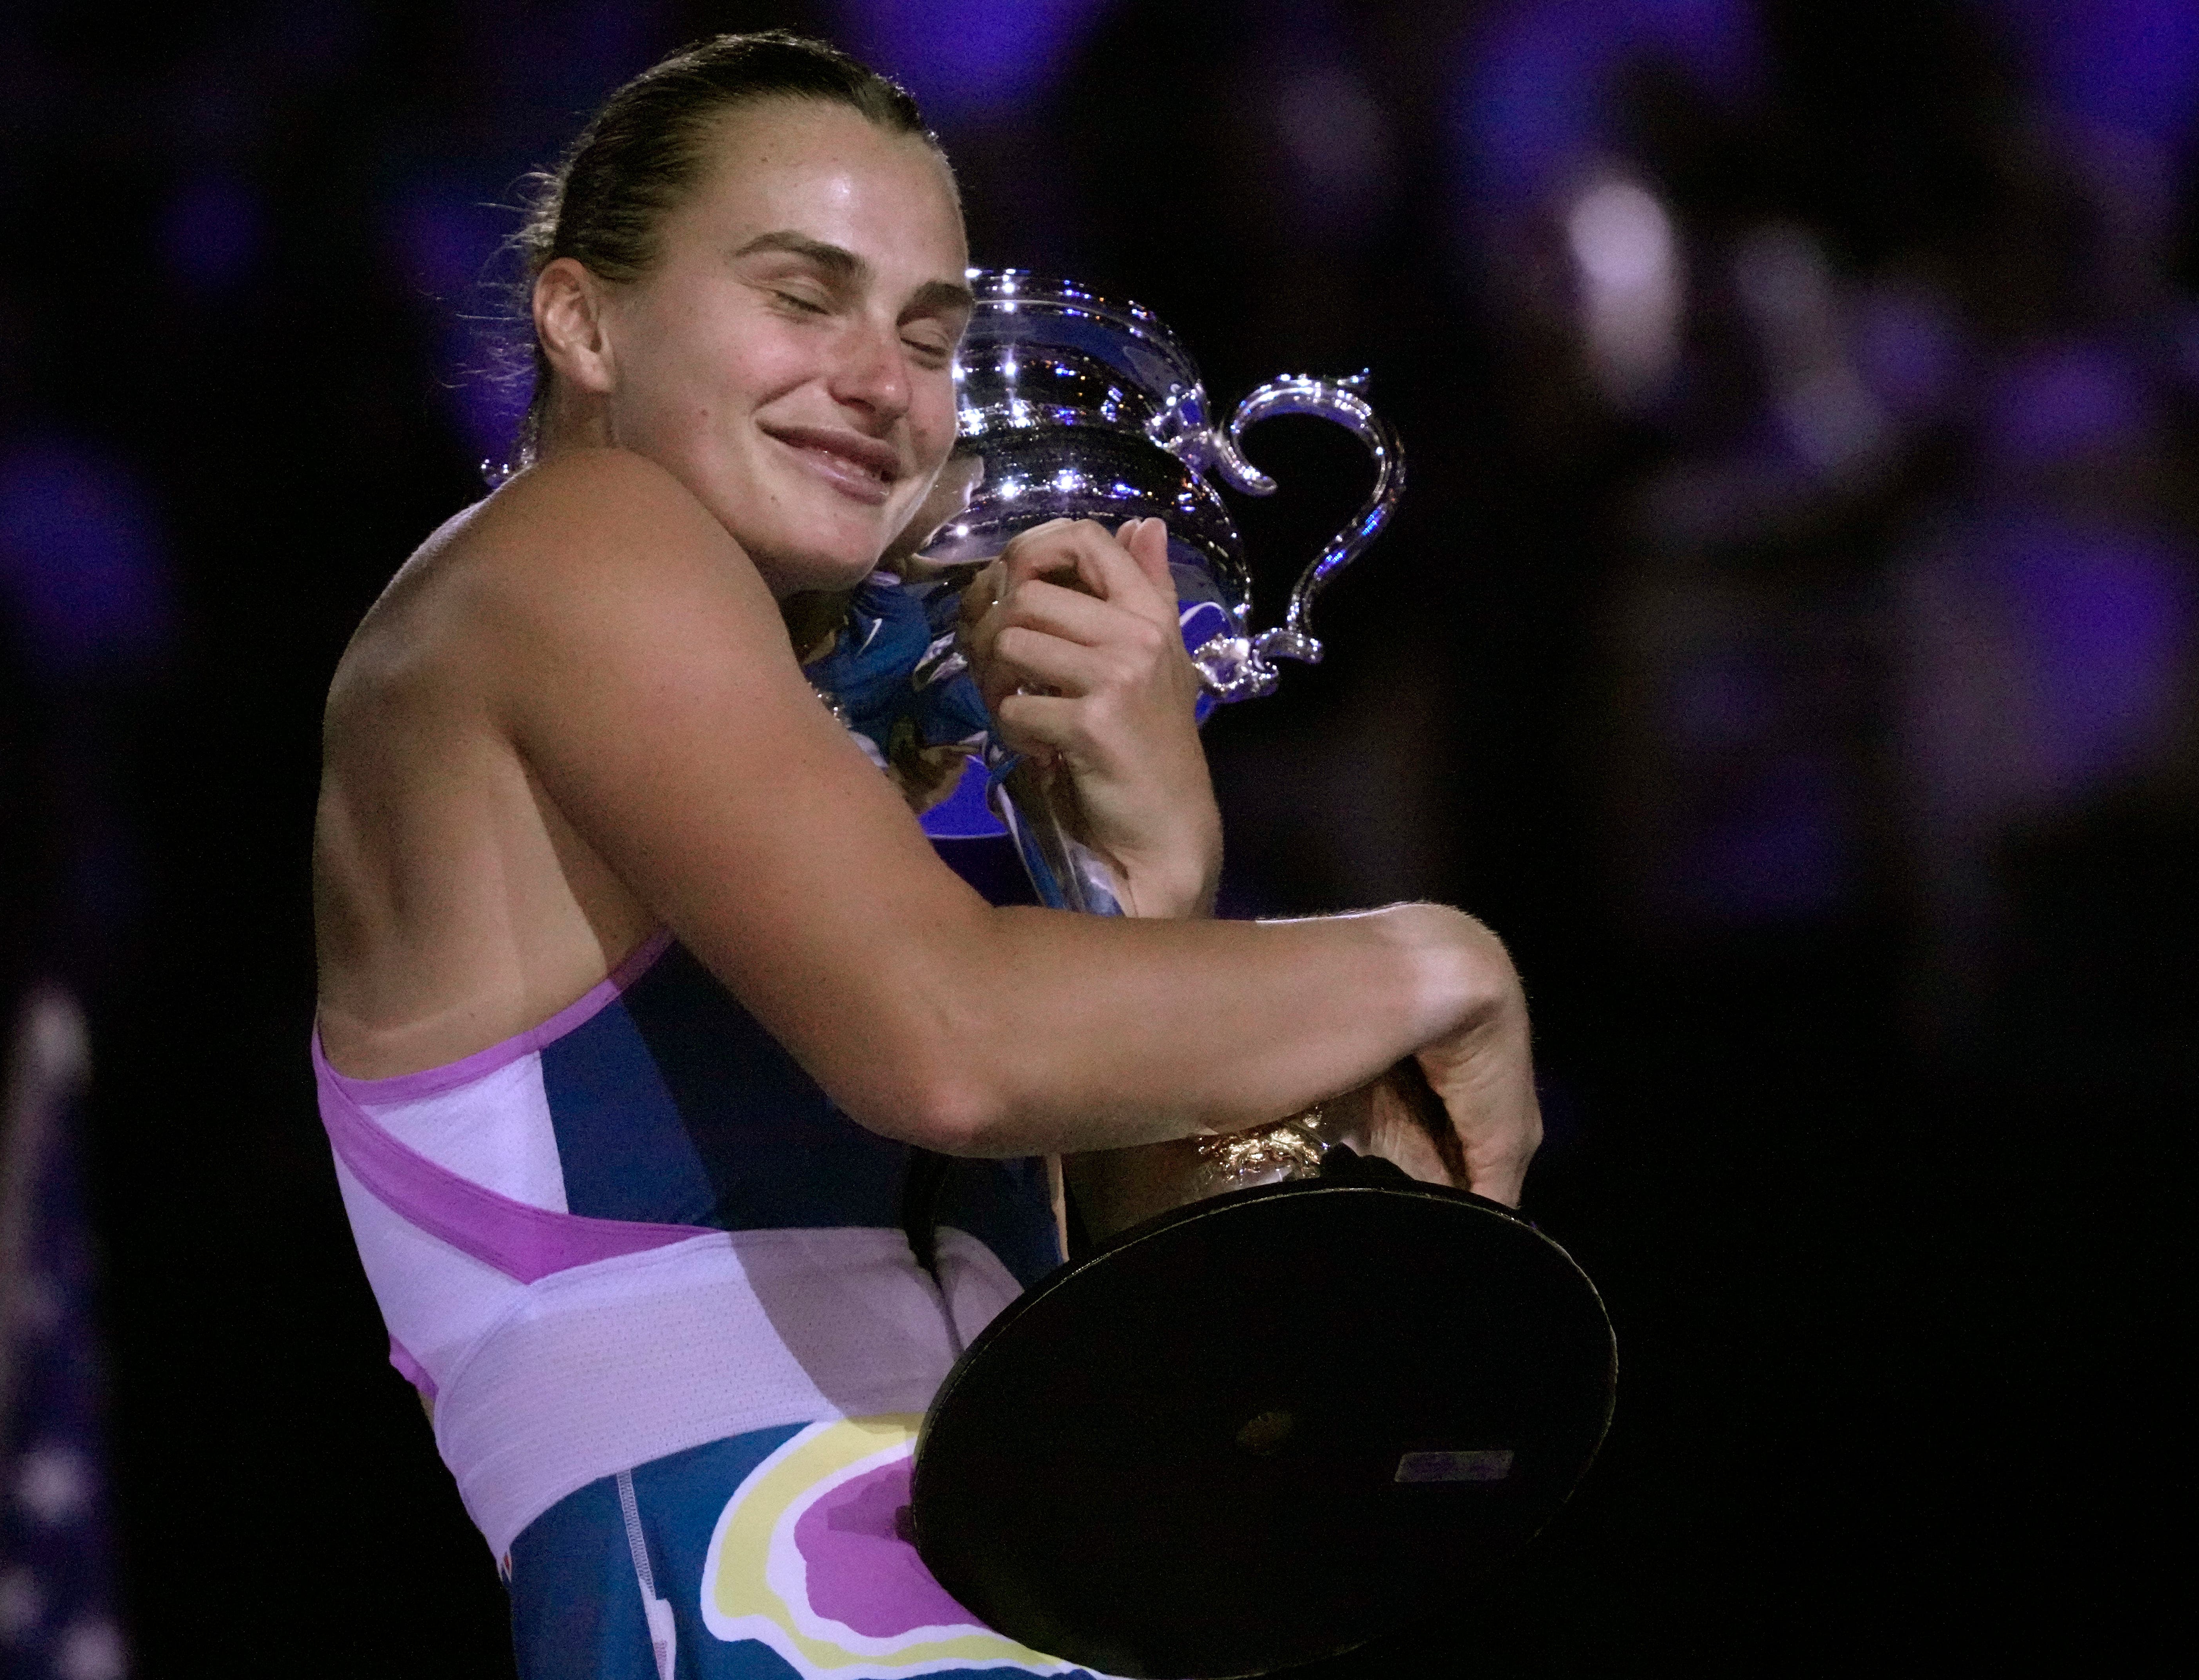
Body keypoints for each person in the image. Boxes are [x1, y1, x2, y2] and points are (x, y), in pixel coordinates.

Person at [310, 31, 1541, 1680]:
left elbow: (1187, 1364)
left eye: (928, 331)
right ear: (584, 319)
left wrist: (1151, 877)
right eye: (802, 297)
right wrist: (1436, 961)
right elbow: (948, 1044)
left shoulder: (881, 737)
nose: (883, 381)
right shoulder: (572, 541)